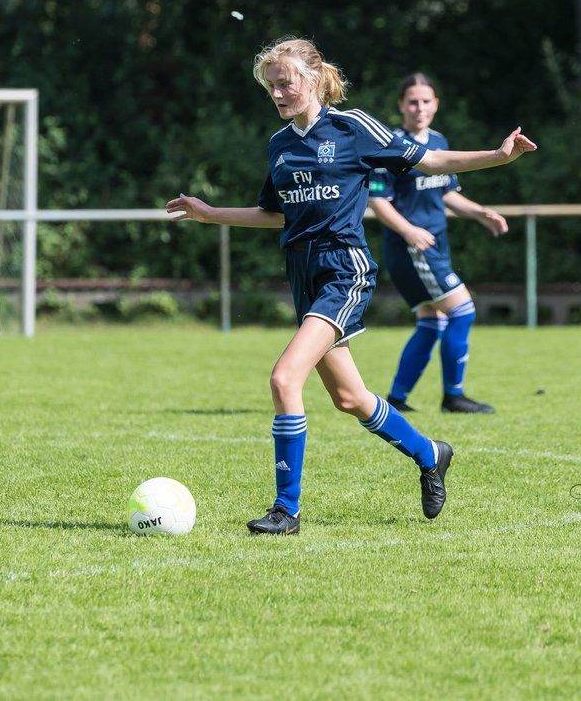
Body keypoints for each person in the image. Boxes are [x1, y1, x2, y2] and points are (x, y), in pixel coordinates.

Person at [165, 37, 535, 535]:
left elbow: (429, 161)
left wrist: (498, 155)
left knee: (283, 379)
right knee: (350, 398)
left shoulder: (352, 127)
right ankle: (431, 453)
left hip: (345, 270)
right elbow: (275, 216)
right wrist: (211, 215)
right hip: (304, 276)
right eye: (270, 86)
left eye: (285, 83)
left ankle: (286, 509)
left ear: (313, 79)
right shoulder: (280, 145)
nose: (277, 93)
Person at [368, 72, 508, 415]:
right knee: (462, 310)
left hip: (434, 246)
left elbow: (447, 192)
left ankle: (397, 399)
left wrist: (480, 213)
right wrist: (409, 231)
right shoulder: (390, 145)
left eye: (426, 101)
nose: (419, 108)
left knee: (432, 322)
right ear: (401, 105)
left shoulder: (440, 141)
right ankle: (453, 396)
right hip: (413, 249)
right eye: (412, 102)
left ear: (436, 105)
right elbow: (377, 201)